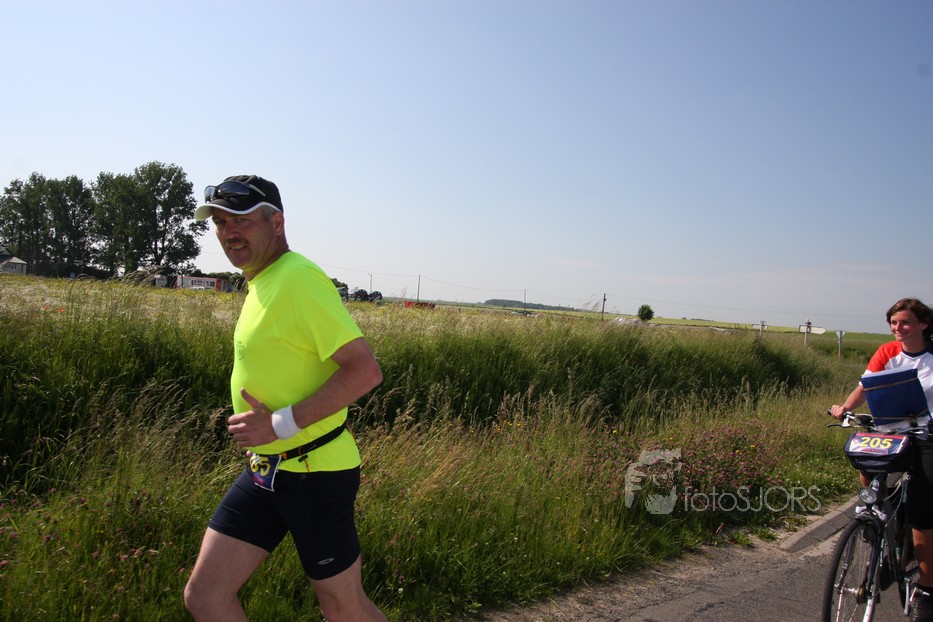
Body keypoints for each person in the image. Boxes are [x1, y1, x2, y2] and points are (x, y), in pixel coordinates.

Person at [183, 175, 387, 622]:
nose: (228, 232)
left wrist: (277, 424)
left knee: (342, 606)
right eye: (220, 222)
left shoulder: (297, 278)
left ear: (276, 222)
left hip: (314, 473)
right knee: (205, 596)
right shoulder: (262, 280)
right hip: (267, 470)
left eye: (240, 220)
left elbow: (364, 371)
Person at [830, 297, 933, 621]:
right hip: (891, 431)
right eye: (893, 323)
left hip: (927, 435)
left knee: (923, 513)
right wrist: (845, 407)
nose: (898, 328)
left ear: (923, 325)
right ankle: (878, 512)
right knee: (865, 457)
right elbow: (865, 386)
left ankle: (927, 591)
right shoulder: (887, 352)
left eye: (905, 322)